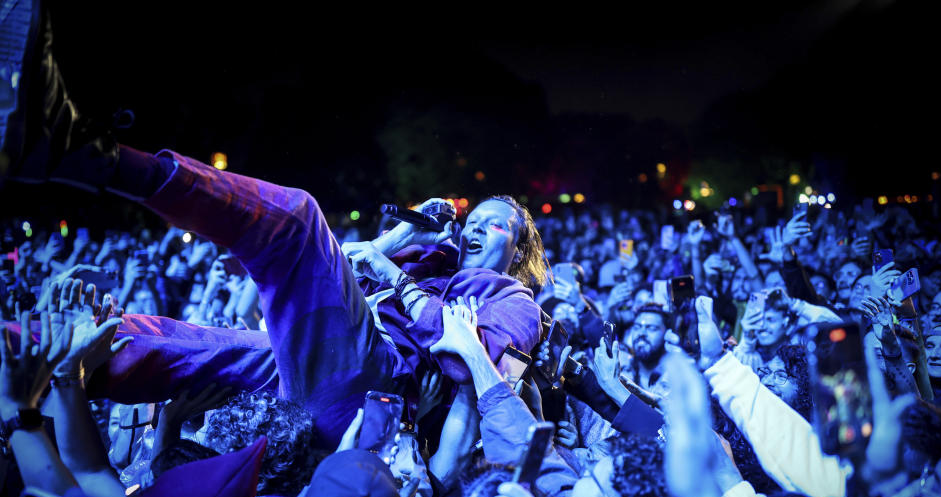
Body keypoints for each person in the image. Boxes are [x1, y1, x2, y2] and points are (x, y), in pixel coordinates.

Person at [1, 5, 547, 448]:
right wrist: (398, 241)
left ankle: (79, 151)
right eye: (472, 219)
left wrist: (397, 282)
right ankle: (26, 356)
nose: (474, 227)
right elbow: (342, 264)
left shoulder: (517, 302)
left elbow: (464, 360)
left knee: (300, 218)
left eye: (495, 225)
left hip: (380, 390)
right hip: (339, 363)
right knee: (180, 343)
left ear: (519, 246)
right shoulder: (430, 263)